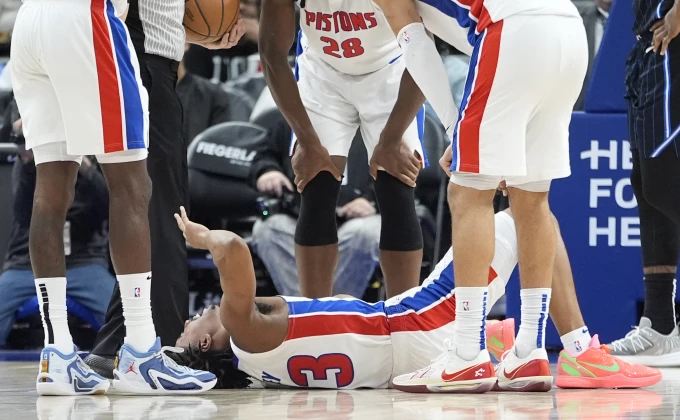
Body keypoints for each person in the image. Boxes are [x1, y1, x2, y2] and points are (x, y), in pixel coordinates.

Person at [9, 0, 240, 395]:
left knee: (51, 188)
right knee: (134, 185)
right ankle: (139, 353)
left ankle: (58, 355)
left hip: (31, 21)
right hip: (88, 16)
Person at [172, 206, 661, 390]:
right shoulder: (241, 331)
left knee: (524, 224)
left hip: (402, 355)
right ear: (204, 347)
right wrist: (203, 238)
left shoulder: (256, 373)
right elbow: (235, 249)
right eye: (188, 327)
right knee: (530, 218)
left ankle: (501, 342)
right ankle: (578, 353)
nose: (194, 317)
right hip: (415, 320)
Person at [364, 0, 587, 392]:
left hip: (510, 30)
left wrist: (456, 127)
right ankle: (529, 351)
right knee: (531, 196)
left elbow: (415, 42)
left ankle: (466, 354)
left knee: (468, 192)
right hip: (568, 30)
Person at [83, 0, 246, 379]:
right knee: (166, 215)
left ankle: (117, 346)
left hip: (143, 63)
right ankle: (165, 351)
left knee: (153, 210)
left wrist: (191, 33)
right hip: (143, 66)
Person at [259, 0, 426, 299]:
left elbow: (425, 53)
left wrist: (390, 140)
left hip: (392, 67)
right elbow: (272, 55)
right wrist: (308, 142)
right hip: (322, 72)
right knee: (315, 184)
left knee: (396, 185)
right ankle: (315, 317)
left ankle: (403, 321)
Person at [605, 0, 680, 366]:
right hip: (649, 46)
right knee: (647, 190)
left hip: (673, 45)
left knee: (664, 182)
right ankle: (660, 325)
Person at [249, 109, 381, 298]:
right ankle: (306, 310)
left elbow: (396, 168)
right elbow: (263, 157)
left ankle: (338, 311)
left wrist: (370, 199)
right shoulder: (291, 116)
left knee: (364, 233)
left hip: (355, 216)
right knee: (268, 230)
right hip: (299, 215)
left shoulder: (374, 119)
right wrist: (268, 171)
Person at [0, 144, 114, 348]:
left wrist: (84, 166)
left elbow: (109, 206)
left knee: (118, 315)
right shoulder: (29, 159)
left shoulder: (94, 156)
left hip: (83, 263)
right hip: (27, 265)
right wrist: (28, 163)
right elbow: (23, 215)